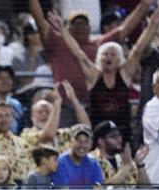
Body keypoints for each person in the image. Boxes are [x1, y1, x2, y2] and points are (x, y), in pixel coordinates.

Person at [29, 0, 151, 126]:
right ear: (67, 27)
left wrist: (144, 4)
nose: (79, 27)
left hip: (94, 107)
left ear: (90, 27)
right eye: (75, 23)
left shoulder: (100, 44)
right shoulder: (57, 41)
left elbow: (125, 29)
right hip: (65, 106)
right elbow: (40, 22)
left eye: (83, 23)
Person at [48, 13, 141, 145]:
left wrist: (153, 23)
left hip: (122, 137)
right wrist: (62, 30)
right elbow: (78, 53)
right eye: (104, 54)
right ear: (98, 58)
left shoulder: (124, 76)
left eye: (112, 54)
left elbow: (138, 50)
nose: (108, 57)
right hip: (98, 140)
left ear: (120, 60)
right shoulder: (94, 76)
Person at [20, 80, 90, 153]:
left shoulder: (61, 134)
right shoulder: (26, 134)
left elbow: (86, 127)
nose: (44, 114)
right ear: (32, 117)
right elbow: (47, 136)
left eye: (47, 112)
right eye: (40, 112)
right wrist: (57, 105)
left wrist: (74, 100)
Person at [90, 120, 149, 185]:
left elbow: (146, 189)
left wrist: (139, 164)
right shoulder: (91, 160)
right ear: (101, 141)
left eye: (119, 135)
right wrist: (126, 166)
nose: (119, 139)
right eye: (113, 136)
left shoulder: (125, 158)